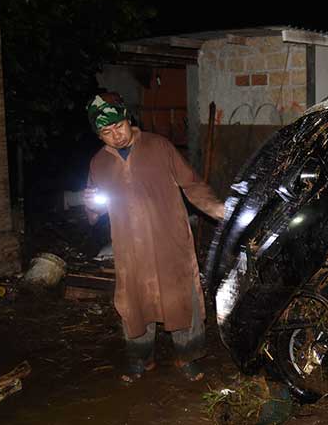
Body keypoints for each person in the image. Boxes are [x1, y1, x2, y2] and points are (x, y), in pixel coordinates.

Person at [83, 92, 224, 383]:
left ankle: (187, 356)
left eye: (118, 126)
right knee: (135, 303)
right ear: (99, 135)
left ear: (128, 119)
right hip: (129, 249)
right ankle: (140, 358)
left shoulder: (159, 146)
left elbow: (192, 184)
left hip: (168, 241)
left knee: (181, 300)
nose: (116, 135)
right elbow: (94, 210)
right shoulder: (98, 164)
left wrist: (219, 210)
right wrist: (89, 203)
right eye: (106, 132)